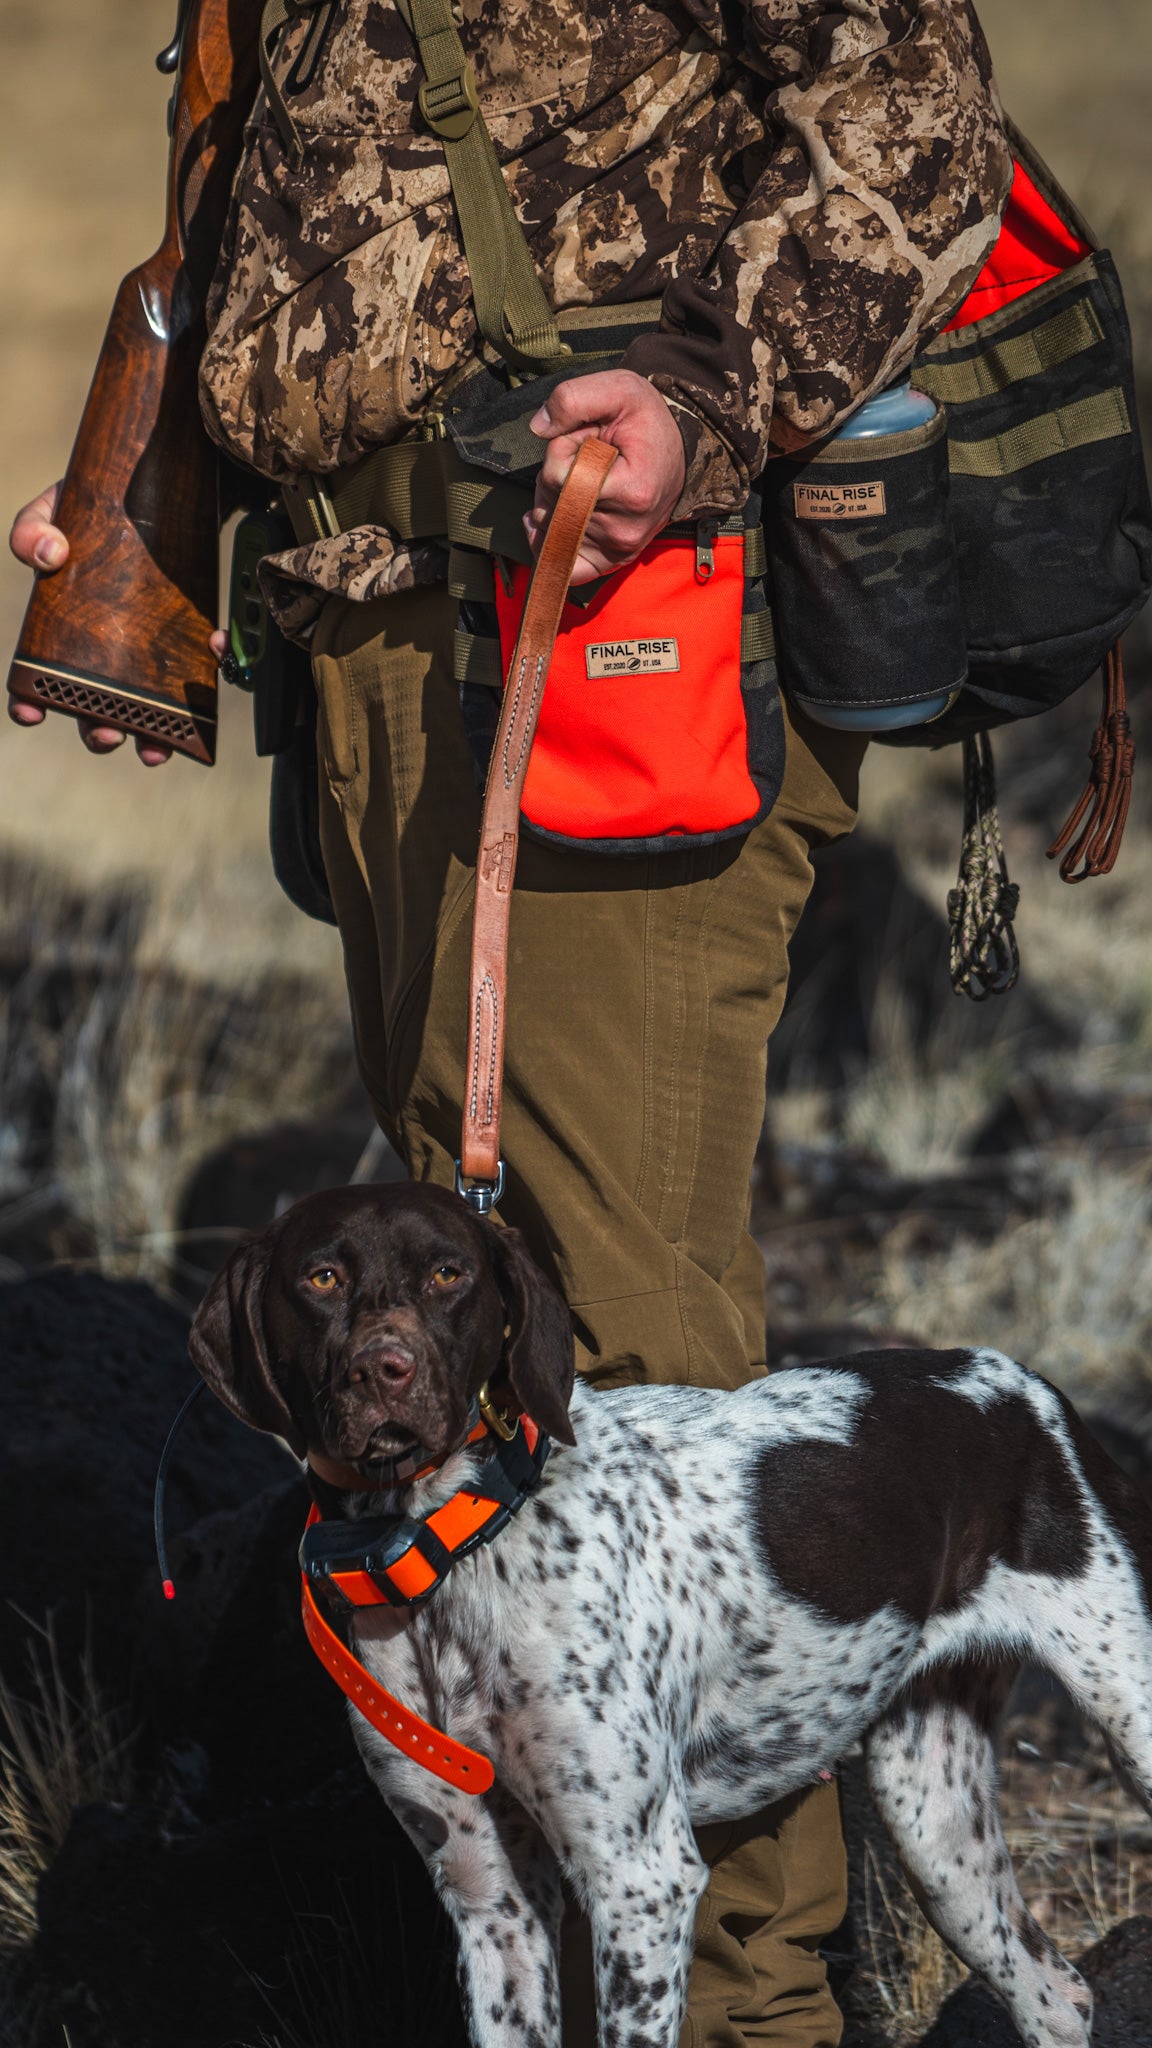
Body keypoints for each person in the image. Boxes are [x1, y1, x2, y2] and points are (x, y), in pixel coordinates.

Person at [9, 3, 1010, 2040]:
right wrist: (160, 489)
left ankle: (755, 2008)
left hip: (607, 610)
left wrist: (708, 404)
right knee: (478, 1367)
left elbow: (913, 128)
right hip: (387, 641)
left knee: (626, 1373)